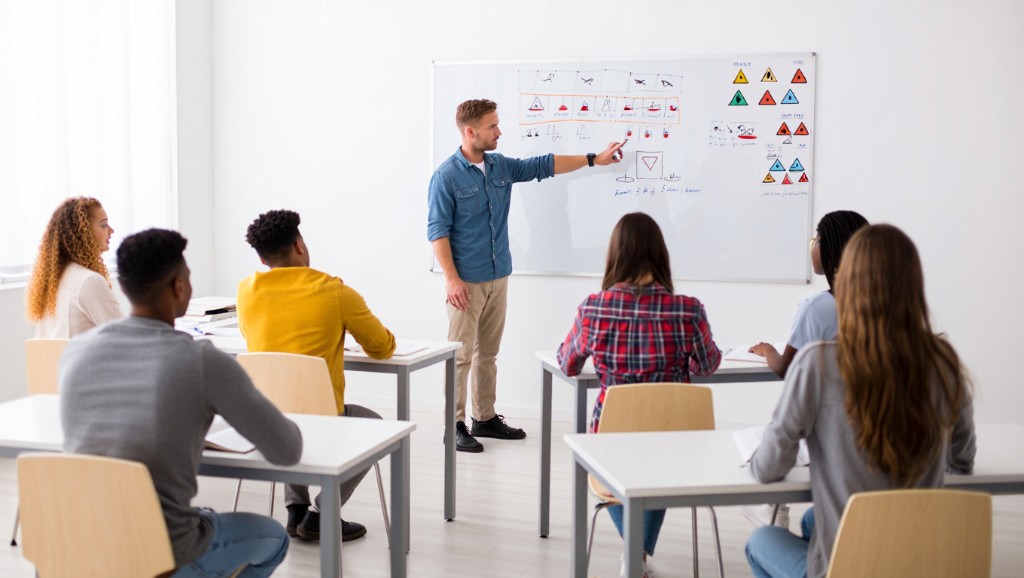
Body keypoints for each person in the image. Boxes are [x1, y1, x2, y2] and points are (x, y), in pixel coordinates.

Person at [60, 228, 303, 577]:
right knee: (274, 538)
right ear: (179, 287)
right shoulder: (201, 361)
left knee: (198, 513)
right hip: (159, 553)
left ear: (125, 287)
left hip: (81, 544)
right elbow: (286, 450)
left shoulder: (75, 352)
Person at [744, 224, 976, 578]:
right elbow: (961, 462)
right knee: (811, 520)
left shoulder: (818, 363)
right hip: (921, 563)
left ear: (848, 282)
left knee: (760, 540)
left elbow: (767, 469)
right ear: (913, 286)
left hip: (845, 568)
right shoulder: (942, 361)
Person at [427, 98, 624, 452]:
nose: (499, 132)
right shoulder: (446, 176)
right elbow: (437, 231)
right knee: (461, 356)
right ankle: (452, 424)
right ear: (470, 132)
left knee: (488, 353)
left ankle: (483, 418)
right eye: (492, 126)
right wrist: (451, 280)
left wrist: (594, 158)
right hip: (465, 282)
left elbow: (543, 165)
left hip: (498, 274)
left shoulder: (500, 166)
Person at [557, 212, 722, 577]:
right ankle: (637, 558)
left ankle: (635, 556)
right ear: (661, 254)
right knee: (656, 458)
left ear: (614, 255)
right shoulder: (689, 310)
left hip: (613, 448)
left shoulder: (593, 309)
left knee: (620, 468)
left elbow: (567, 364)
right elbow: (708, 364)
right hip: (679, 448)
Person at [237, 209, 396, 543]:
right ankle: (321, 515)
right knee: (379, 427)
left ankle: (296, 508)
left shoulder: (246, 292)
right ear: (299, 245)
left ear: (263, 259)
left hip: (267, 420)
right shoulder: (334, 291)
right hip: (324, 420)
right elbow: (381, 348)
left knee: (288, 406)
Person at [744, 210, 868, 528]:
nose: (812, 244)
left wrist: (769, 350)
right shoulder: (883, 306)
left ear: (833, 248)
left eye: (817, 238)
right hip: (869, 433)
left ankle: (774, 507)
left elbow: (787, 369)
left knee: (771, 439)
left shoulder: (818, 308)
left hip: (826, 432)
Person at [26, 196, 123, 337]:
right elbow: (124, 337)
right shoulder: (89, 281)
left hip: (55, 359)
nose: (111, 230)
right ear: (83, 232)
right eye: (103, 225)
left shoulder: (52, 280)